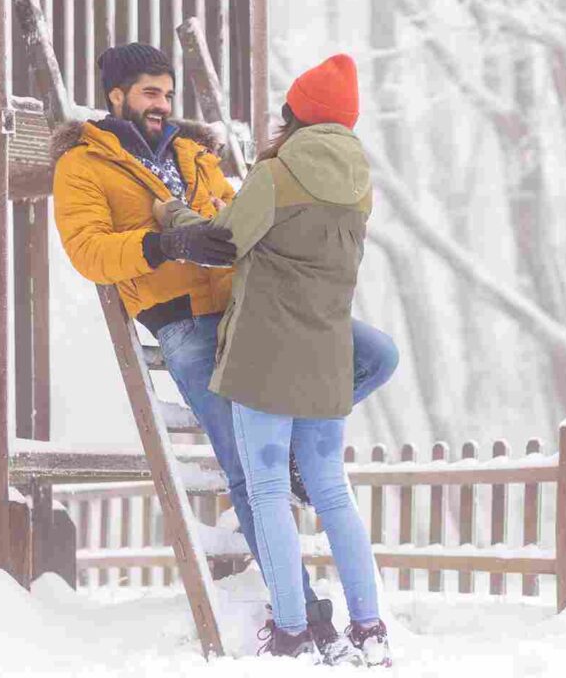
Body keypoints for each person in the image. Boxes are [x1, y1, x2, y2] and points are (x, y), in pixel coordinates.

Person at [51, 44, 397, 665]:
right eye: (151, 93)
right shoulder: (85, 164)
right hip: (183, 318)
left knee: (373, 354)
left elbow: (238, 222)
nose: (163, 105)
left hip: (252, 310)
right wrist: (161, 244)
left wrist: (208, 223)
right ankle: (304, 611)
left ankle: (293, 465)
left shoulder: (195, 152)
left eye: (168, 93)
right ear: (116, 95)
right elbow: (88, 250)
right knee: (246, 470)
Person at [154, 53, 391, 667]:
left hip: (264, 351)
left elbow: (222, 240)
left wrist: (170, 214)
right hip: (328, 350)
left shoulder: (278, 173)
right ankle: (370, 628)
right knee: (333, 494)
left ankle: (290, 629)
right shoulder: (361, 182)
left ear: (295, 116)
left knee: (265, 493)